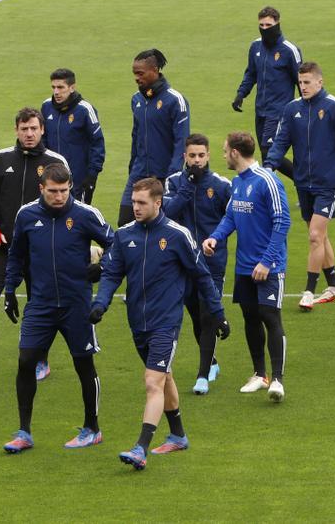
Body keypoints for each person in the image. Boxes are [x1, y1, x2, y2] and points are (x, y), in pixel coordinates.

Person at [91, 178, 231, 470]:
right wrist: (100, 304)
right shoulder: (124, 235)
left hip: (166, 323)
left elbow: (202, 276)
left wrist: (218, 314)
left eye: (142, 203)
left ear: (158, 203)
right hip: (137, 323)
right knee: (164, 377)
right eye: (134, 201)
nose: (135, 207)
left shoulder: (177, 235)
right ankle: (178, 435)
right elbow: (112, 274)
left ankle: (141, 447)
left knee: (152, 381)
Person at [0, 164, 114, 454]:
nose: (60, 196)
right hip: (41, 304)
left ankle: (93, 428)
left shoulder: (86, 215)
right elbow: (16, 255)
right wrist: (10, 290)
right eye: (53, 191)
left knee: (83, 364)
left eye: (65, 190)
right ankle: (24, 432)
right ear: (42, 189)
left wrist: (101, 268)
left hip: (77, 305)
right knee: (26, 361)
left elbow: (117, 246)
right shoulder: (26, 215)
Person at [0, 108, 69, 383]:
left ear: (42, 130)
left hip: (39, 251)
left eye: (33, 128)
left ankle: (42, 360)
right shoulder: (0, 158)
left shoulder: (55, 162)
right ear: (16, 130)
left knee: (40, 304)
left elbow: (64, 203)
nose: (28, 134)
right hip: (4, 248)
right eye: (23, 129)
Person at [203, 132, 290, 402]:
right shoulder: (238, 183)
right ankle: (259, 374)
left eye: (224, 150)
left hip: (269, 266)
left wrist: (267, 261)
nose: (223, 154)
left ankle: (277, 379)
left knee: (270, 317)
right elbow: (231, 216)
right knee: (250, 317)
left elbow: (282, 222)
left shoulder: (268, 181)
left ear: (235, 153)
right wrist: (215, 238)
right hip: (244, 267)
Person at [265, 62, 335, 311]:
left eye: (307, 82)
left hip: (328, 184)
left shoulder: (334, 107)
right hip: (303, 182)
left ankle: (309, 291)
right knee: (320, 236)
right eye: (300, 82)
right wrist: (270, 166)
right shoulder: (291, 109)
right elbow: (282, 140)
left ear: (320, 82)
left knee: (315, 235)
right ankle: (334, 287)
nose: (303, 87)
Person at [163, 133, 233, 394]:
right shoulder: (173, 183)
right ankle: (211, 362)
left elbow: (233, 219)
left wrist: (217, 241)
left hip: (212, 264)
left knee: (206, 315)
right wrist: (188, 186)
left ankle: (202, 376)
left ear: (208, 155)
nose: (196, 160)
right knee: (195, 315)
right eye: (191, 156)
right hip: (181, 263)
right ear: (184, 157)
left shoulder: (222, 185)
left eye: (201, 155)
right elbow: (168, 212)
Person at [120, 48, 189, 227]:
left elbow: (181, 142)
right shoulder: (136, 100)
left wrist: (172, 175)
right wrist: (132, 166)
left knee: (160, 226)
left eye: (140, 73)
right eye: (134, 73)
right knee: (125, 221)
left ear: (155, 70)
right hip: (138, 172)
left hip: (163, 175)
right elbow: (136, 136)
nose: (136, 77)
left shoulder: (175, 100)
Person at [232, 6, 302, 179]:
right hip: (260, 109)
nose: (265, 29)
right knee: (266, 155)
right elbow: (251, 73)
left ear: (277, 23)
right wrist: (241, 94)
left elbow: (301, 80)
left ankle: (303, 182)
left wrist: (305, 107)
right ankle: (275, 192)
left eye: (268, 25)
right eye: (261, 25)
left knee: (269, 151)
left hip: (280, 110)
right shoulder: (255, 46)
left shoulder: (289, 50)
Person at [41, 68, 105, 203]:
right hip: (52, 178)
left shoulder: (85, 109)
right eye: (53, 87)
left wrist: (92, 174)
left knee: (77, 219)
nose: (56, 92)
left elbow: (97, 143)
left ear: (72, 88)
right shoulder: (46, 106)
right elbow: (43, 139)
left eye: (60, 87)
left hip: (78, 179)